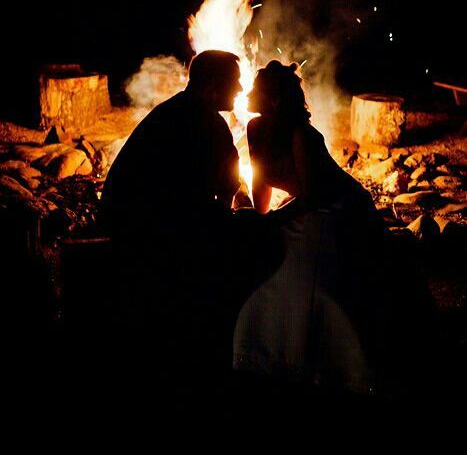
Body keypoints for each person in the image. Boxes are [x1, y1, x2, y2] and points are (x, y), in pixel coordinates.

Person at [99, 50, 283, 393]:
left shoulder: (175, 110)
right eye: (235, 81)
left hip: (129, 218)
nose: (242, 88)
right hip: (146, 230)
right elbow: (226, 189)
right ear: (212, 86)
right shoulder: (204, 122)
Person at [234, 60, 393, 395]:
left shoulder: (301, 135)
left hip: (336, 207)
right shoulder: (256, 128)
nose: (247, 93)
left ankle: (320, 357)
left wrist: (274, 221)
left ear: (275, 100)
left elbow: (312, 195)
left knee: (306, 272)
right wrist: (259, 219)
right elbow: (261, 180)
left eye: (255, 90)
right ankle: (267, 352)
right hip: (303, 207)